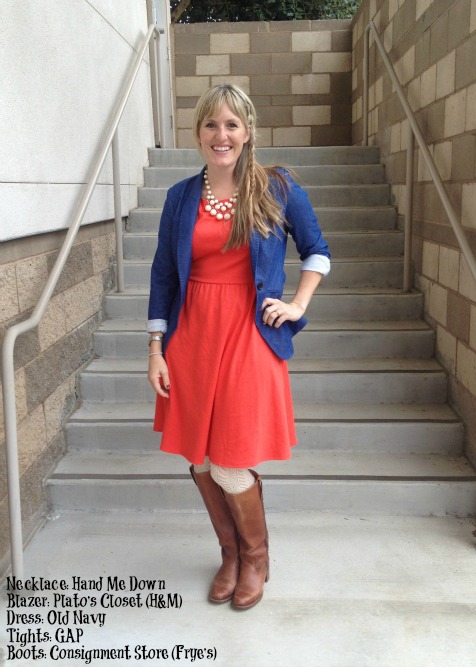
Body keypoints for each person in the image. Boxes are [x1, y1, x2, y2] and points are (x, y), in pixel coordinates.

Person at [147, 84, 330, 610]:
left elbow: (317, 251)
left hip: (249, 333)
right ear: (198, 133)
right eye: (211, 125)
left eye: (231, 125)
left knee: (230, 461)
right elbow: (163, 275)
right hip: (192, 337)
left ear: (248, 131)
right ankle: (229, 554)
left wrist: (296, 305)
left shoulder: (277, 187)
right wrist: (156, 347)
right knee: (202, 460)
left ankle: (256, 556)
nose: (221, 134)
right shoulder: (181, 196)